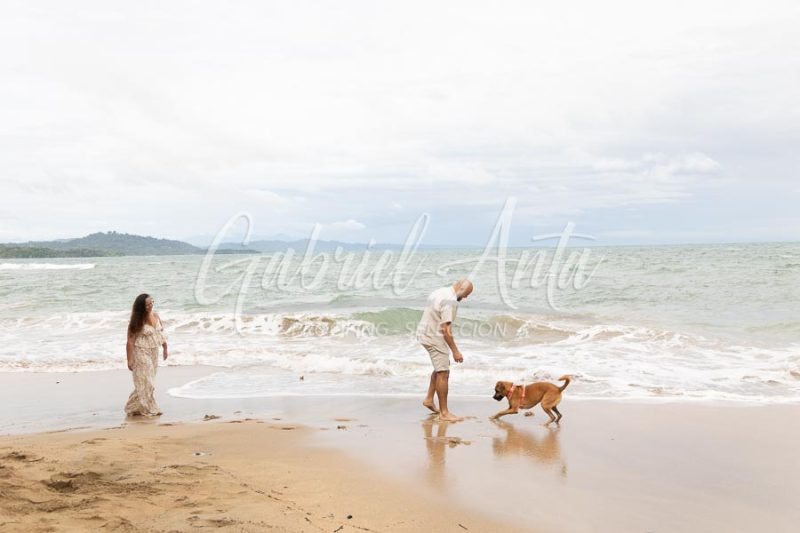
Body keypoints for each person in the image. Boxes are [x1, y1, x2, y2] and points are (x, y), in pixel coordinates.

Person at [416, 279, 473, 421]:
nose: (466, 297)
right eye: (466, 293)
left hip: (424, 332)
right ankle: (444, 413)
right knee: (443, 373)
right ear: (460, 288)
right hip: (433, 336)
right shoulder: (450, 300)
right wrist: (455, 351)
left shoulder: (440, 291)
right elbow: (445, 329)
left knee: (440, 365)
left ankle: (429, 399)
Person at [124, 293, 168, 417]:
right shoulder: (137, 320)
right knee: (147, 381)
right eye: (147, 304)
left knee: (147, 381)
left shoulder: (156, 316)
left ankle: (132, 406)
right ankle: (149, 408)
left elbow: (160, 333)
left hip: (154, 351)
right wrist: (130, 359)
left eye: (151, 303)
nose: (150, 306)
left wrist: (165, 347)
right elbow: (130, 341)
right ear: (141, 306)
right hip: (140, 351)